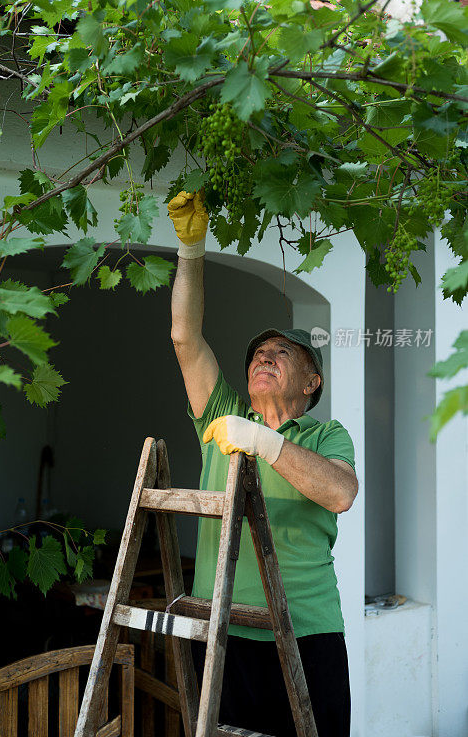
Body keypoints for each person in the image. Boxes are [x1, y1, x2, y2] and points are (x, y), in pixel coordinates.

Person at [168, 189, 359, 737]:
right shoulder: (220, 419)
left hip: (307, 635)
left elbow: (341, 493)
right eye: (258, 354)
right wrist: (191, 251)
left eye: (282, 354)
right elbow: (185, 337)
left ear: (311, 381)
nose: (263, 358)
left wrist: (263, 441)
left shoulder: (325, 435)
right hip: (224, 629)